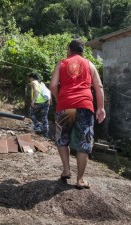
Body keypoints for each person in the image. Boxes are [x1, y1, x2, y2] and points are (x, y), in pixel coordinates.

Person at [50, 39, 106, 189]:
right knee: (83, 143)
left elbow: (53, 85)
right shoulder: (90, 64)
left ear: (69, 50)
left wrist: (59, 98)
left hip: (65, 105)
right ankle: (80, 180)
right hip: (85, 106)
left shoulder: (61, 63)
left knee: (62, 139)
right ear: (82, 51)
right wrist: (101, 108)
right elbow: (99, 86)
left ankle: (66, 170)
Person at [28, 73, 51, 138]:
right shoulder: (41, 83)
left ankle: (38, 126)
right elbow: (48, 91)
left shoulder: (33, 82)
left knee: (31, 113)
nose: (29, 80)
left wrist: (33, 101)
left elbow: (36, 91)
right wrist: (50, 101)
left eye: (29, 79)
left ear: (31, 78)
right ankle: (46, 133)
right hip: (46, 102)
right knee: (44, 116)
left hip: (38, 102)